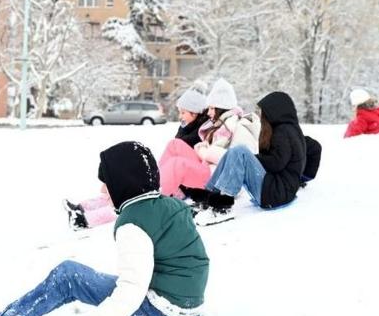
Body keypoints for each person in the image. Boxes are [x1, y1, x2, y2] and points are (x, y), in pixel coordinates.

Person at [0, 141, 210, 316]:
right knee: (70, 276)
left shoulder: (134, 223)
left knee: (67, 277)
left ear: (123, 181)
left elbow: (131, 291)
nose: (102, 189)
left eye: (107, 181)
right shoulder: (166, 205)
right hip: (184, 304)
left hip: (163, 312)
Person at [63, 89, 212, 230]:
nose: (180, 116)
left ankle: (84, 219)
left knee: (132, 201)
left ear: (195, 112)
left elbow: (191, 160)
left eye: (183, 112)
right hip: (171, 179)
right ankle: (81, 208)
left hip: (180, 187)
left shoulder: (200, 132)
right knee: (123, 192)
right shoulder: (188, 127)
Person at [185, 91, 307, 226]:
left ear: (275, 111)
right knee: (234, 153)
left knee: (240, 152)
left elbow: (276, 163)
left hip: (277, 193)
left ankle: (222, 207)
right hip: (278, 190)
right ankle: (207, 197)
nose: (262, 116)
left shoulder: (284, 132)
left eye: (264, 112)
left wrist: (251, 159)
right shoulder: (289, 129)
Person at [193, 78, 260, 165]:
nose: (208, 113)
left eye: (212, 108)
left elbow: (239, 162)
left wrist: (206, 152)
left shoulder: (238, 127)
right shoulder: (220, 127)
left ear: (222, 109)